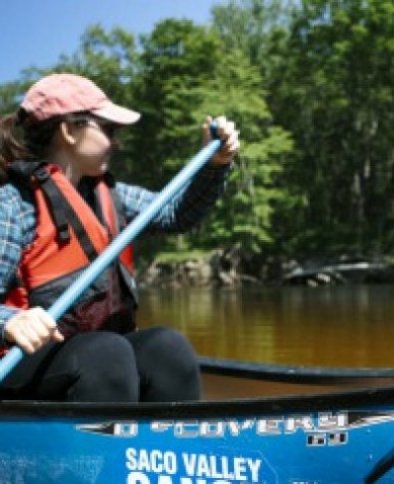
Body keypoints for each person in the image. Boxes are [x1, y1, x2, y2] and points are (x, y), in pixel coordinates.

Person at [0, 73, 239, 402]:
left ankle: (167, 451)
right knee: (104, 355)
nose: (117, 142)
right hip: (22, 366)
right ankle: (94, 454)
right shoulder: (14, 204)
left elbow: (178, 214)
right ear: (69, 131)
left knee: (168, 348)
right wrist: (9, 321)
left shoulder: (114, 197)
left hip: (100, 359)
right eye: (109, 130)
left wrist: (216, 164)